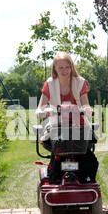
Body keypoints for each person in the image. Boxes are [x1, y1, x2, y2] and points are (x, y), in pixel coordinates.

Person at [36, 52, 98, 184]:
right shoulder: (49, 84)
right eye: (61, 67)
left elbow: (85, 104)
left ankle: (87, 180)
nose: (65, 70)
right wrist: (44, 111)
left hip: (78, 126)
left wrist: (87, 109)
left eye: (67, 67)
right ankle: (55, 177)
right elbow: (39, 109)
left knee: (89, 160)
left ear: (72, 67)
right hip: (57, 126)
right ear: (55, 69)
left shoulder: (80, 83)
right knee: (57, 149)